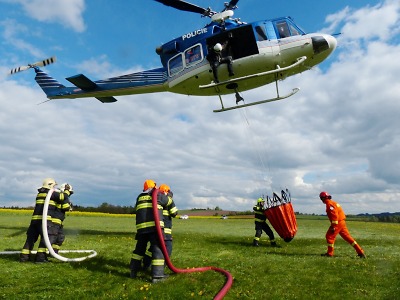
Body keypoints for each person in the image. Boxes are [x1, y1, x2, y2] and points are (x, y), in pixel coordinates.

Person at [20, 178, 71, 263]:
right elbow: (63, 197)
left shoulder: (40, 194)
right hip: (44, 221)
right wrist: (67, 191)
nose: (55, 188)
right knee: (46, 239)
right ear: (50, 185)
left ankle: (24, 257)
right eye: (54, 186)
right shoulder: (50, 194)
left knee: (30, 239)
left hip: (34, 221)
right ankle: (40, 258)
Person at [129, 179, 171, 283]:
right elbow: (169, 201)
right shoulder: (157, 195)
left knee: (139, 250)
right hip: (154, 228)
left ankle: (133, 271)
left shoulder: (139, 197)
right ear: (153, 187)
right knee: (158, 250)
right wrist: (167, 194)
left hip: (141, 229)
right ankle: (157, 276)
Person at [319, 191, 366, 258]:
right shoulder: (334, 203)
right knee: (348, 238)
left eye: (321, 199)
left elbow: (334, 216)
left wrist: (333, 226)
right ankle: (360, 252)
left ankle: (329, 253)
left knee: (329, 236)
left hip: (338, 223)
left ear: (322, 198)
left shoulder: (329, 204)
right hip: (342, 222)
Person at [142, 184, 178, 270]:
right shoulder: (167, 200)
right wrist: (171, 201)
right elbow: (174, 213)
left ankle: (146, 263)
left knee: (153, 248)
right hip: (165, 232)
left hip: (157, 230)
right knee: (167, 249)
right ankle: (160, 269)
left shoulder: (156, 200)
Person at [51, 183, 73, 254]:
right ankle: (44, 254)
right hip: (55, 221)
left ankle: (54, 252)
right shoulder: (63, 197)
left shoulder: (58, 196)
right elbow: (66, 207)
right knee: (54, 238)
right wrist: (69, 206)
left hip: (57, 221)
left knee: (59, 238)